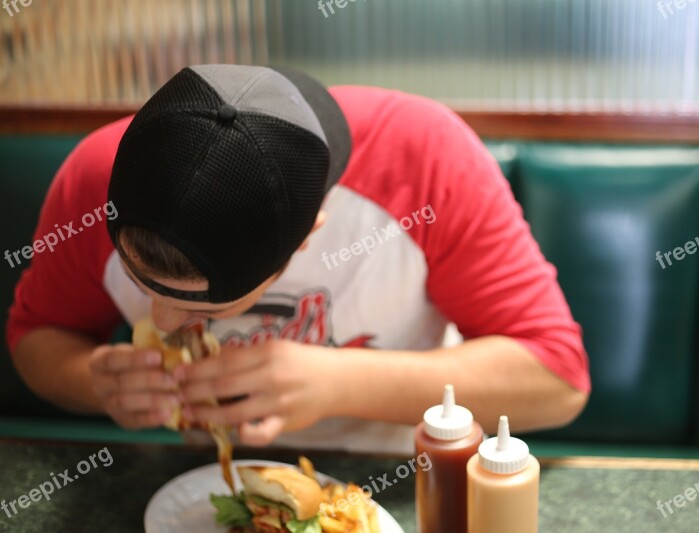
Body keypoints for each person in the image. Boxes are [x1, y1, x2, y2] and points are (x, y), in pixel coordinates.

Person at [7, 65, 589, 454]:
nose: (160, 321)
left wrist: (334, 382)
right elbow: (36, 334)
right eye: (142, 282)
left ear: (308, 236)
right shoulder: (93, 178)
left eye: (208, 304)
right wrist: (94, 383)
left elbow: (557, 380)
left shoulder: (426, 158)